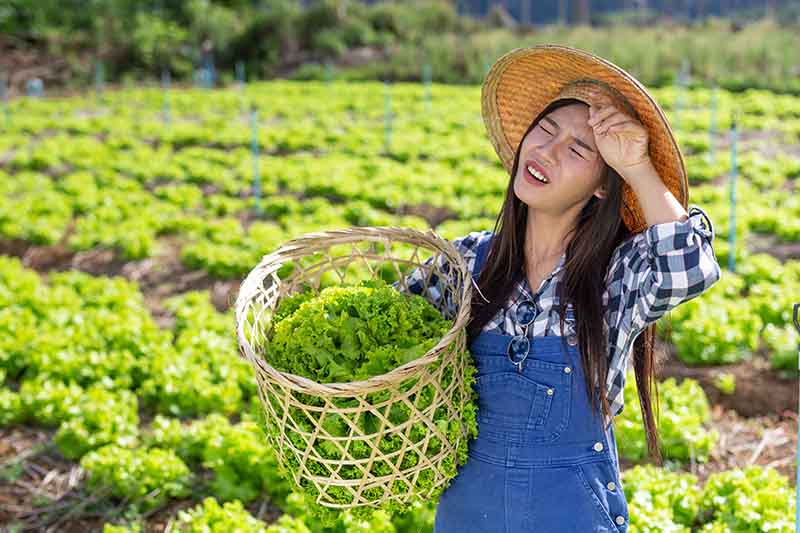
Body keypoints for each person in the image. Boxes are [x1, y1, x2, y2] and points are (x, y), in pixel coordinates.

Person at [393, 44, 722, 532]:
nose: (546, 151)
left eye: (577, 149)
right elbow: (386, 346)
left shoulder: (612, 277)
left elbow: (690, 265)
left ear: (602, 187)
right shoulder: (463, 265)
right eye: (546, 130)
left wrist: (636, 166)